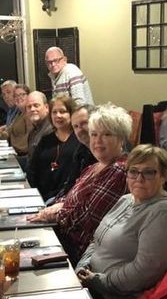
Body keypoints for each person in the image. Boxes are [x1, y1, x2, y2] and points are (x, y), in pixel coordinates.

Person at [76, 144, 167, 299]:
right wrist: (82, 266)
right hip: (91, 286)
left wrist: (98, 281)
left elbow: (143, 272)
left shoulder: (165, 213)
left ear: (163, 176)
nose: (139, 178)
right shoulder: (126, 199)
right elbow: (96, 241)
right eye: (133, 171)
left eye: (149, 172)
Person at [28, 103, 130, 263]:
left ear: (121, 138)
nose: (97, 141)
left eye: (106, 134)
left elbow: (86, 220)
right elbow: (70, 195)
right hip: (61, 236)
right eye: (94, 134)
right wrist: (58, 205)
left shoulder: (118, 171)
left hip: (75, 253)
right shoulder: (95, 166)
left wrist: (53, 214)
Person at [27, 96, 78, 201]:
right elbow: (33, 169)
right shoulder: (46, 139)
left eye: (62, 111)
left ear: (72, 113)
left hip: (65, 198)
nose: (58, 115)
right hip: (40, 196)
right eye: (54, 112)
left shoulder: (79, 140)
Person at [54, 104, 96, 199]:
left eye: (84, 123)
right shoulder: (81, 150)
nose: (79, 130)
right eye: (76, 126)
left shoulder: (103, 154)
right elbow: (70, 184)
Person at [0, 84, 32, 157]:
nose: (19, 97)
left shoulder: (30, 114)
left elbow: (29, 141)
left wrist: (12, 147)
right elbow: (9, 132)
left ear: (29, 96)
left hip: (23, 155)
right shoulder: (19, 114)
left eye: (22, 94)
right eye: (16, 96)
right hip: (14, 152)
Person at [25, 91, 54, 162]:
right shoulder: (32, 132)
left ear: (46, 107)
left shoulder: (51, 130)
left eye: (36, 105)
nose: (32, 109)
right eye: (29, 107)